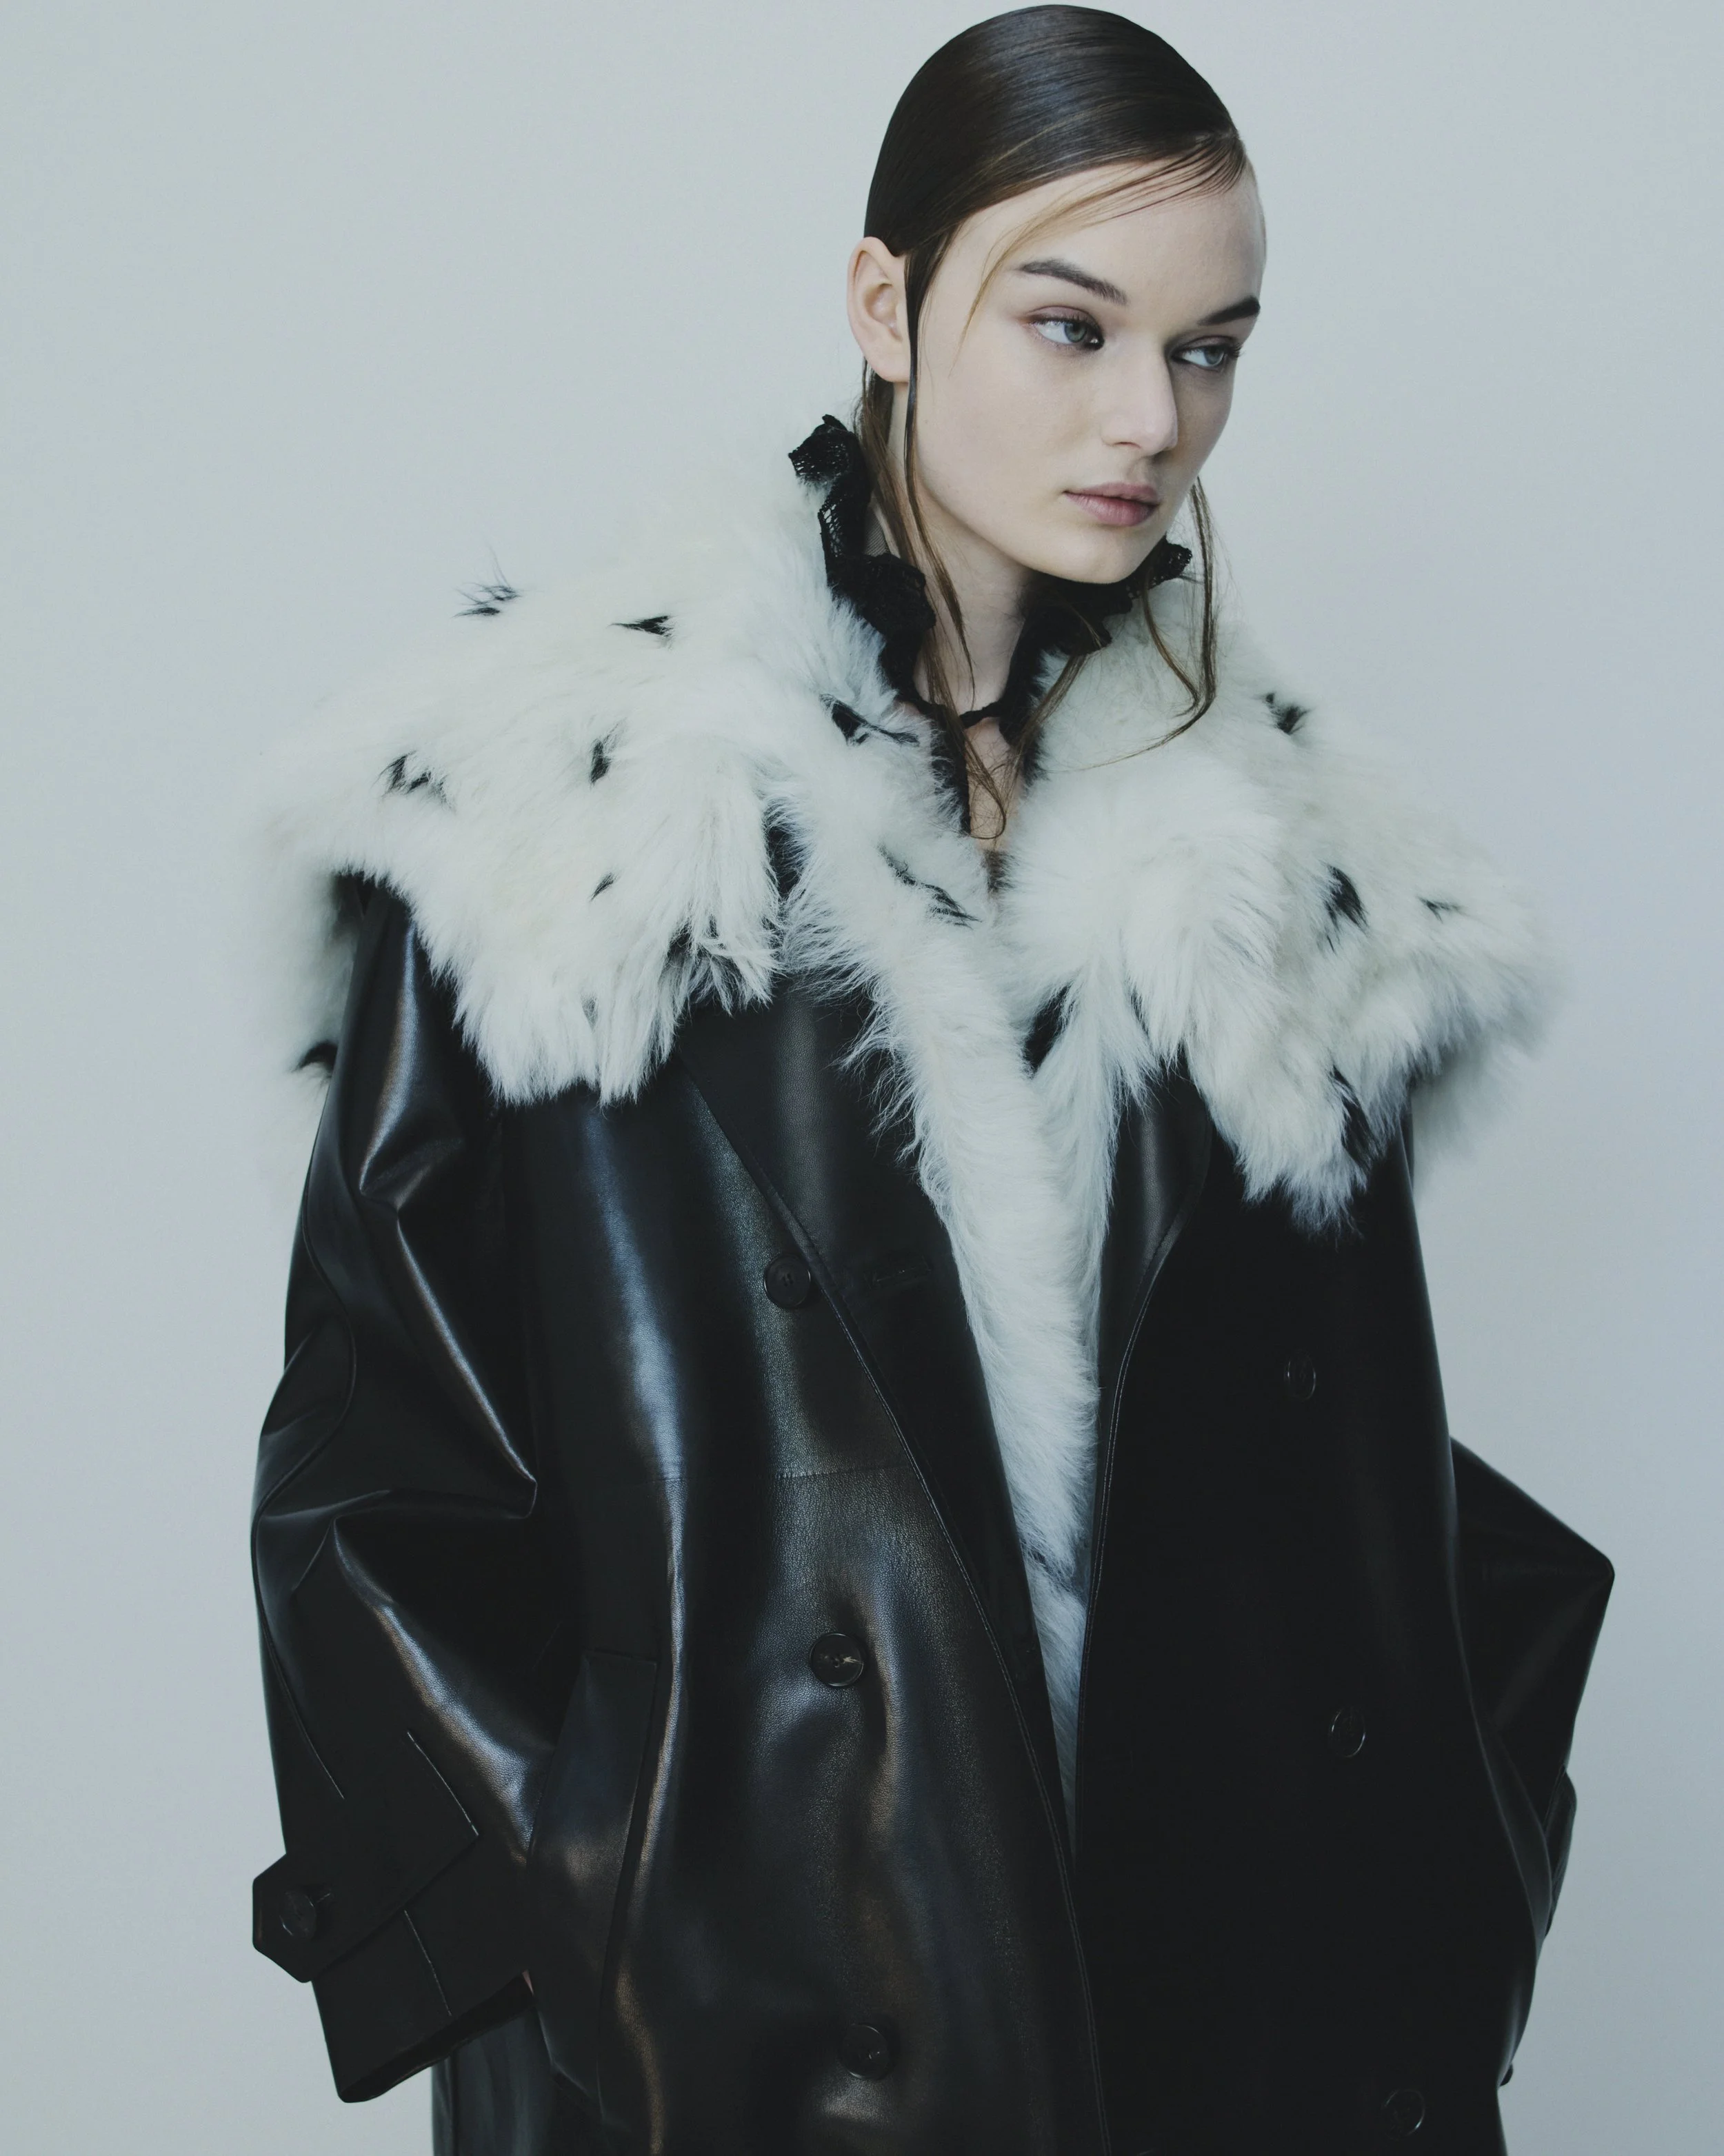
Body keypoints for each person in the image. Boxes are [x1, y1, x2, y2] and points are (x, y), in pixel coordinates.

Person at [246, 10, 1612, 2153]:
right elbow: (370, 1485)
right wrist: (602, 1932)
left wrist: (1460, 1903)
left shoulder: (1284, 879)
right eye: (1071, 325)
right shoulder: (571, 829)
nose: (1149, 418)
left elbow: (1357, 1502)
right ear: (885, 304)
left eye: (1209, 348)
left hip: (1231, 2039)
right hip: (746, 2053)